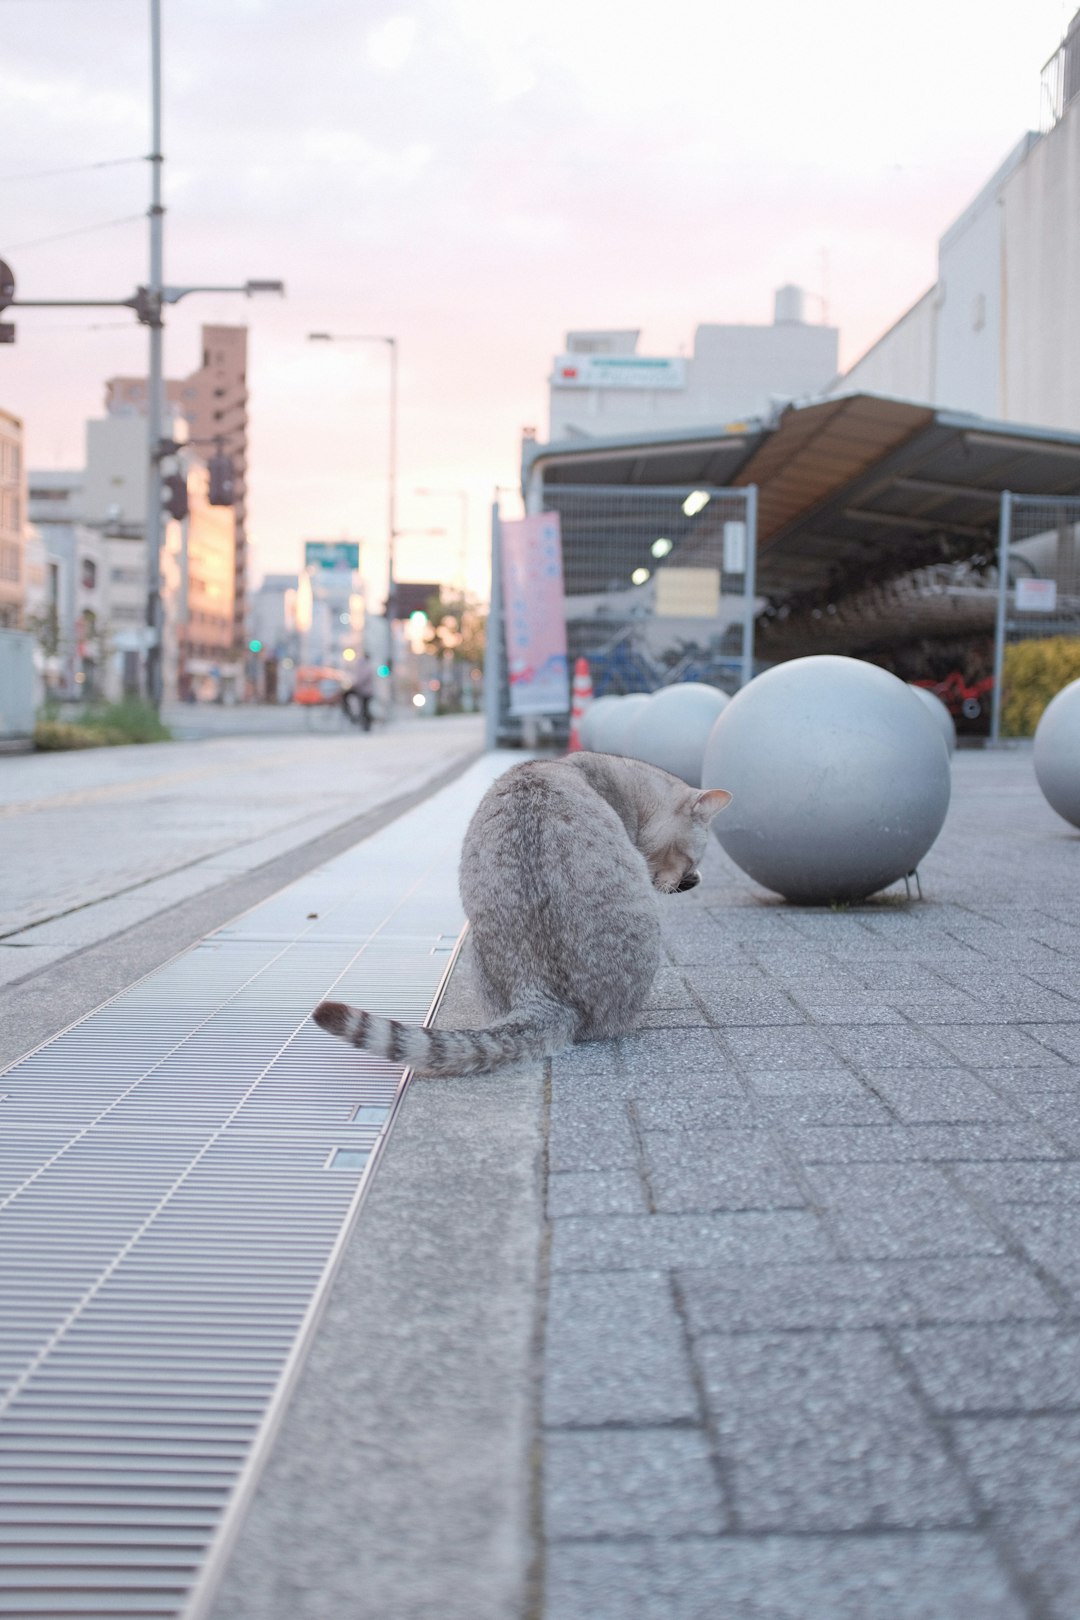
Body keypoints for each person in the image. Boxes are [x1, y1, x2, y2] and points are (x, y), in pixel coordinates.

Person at [342, 652, 376, 731]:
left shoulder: (363, 666)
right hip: (366, 691)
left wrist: (353, 685)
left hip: (364, 691)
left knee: (365, 709)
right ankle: (365, 724)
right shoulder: (367, 666)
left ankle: (364, 724)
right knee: (365, 708)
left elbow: (360, 679)